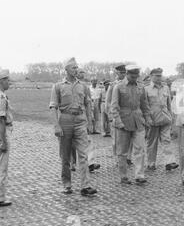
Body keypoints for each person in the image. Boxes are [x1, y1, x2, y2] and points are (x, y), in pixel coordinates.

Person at [49, 58, 97, 196]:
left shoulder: (83, 86)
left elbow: (88, 104)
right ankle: (67, 184)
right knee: (65, 156)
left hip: (80, 121)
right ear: (66, 70)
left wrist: (89, 121)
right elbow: (53, 107)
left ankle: (85, 186)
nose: (76, 70)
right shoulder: (58, 86)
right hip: (65, 120)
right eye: (73, 68)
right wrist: (56, 126)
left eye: (77, 67)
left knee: (83, 154)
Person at [110, 65, 151, 185]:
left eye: (136, 76)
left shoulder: (140, 87)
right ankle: (123, 176)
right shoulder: (118, 87)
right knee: (122, 152)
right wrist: (118, 122)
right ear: (127, 74)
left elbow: (145, 105)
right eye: (132, 76)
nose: (134, 78)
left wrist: (147, 118)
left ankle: (139, 175)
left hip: (138, 121)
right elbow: (114, 106)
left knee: (140, 149)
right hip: (123, 122)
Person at [144, 68, 177, 171]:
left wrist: (171, 117)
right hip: (153, 120)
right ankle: (151, 163)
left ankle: (169, 162)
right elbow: (145, 106)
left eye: (160, 75)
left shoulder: (166, 88)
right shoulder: (146, 89)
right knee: (152, 142)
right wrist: (147, 119)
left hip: (165, 119)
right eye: (157, 75)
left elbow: (168, 104)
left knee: (166, 140)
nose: (159, 77)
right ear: (151, 76)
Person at [106, 64, 133, 166]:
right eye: (120, 72)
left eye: (124, 72)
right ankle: (118, 158)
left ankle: (128, 157)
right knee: (117, 139)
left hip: (129, 115)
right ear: (116, 73)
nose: (122, 74)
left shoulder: (131, 84)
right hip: (117, 115)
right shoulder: (113, 85)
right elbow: (108, 102)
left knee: (130, 138)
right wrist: (110, 116)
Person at [0, 69, 13, 207]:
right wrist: (3, 141)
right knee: (2, 166)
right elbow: (1, 120)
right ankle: (0, 197)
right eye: (7, 80)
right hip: (3, 132)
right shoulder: (1, 97)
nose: (9, 82)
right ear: (1, 81)